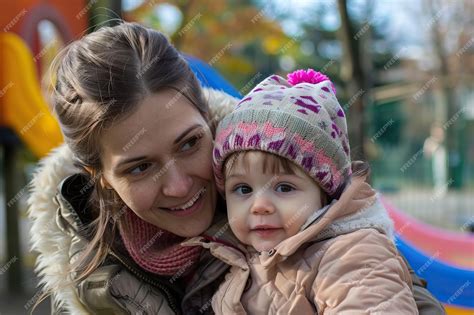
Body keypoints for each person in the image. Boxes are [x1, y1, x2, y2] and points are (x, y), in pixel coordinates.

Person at [27, 23, 445, 314]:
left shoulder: (291, 193)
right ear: (101, 178)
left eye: (189, 143)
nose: (178, 186)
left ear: (208, 118)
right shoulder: (97, 280)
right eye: (139, 168)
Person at [183, 70, 419, 313]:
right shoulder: (234, 257)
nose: (259, 205)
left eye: (284, 187)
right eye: (243, 189)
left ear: (324, 193)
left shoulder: (351, 254)